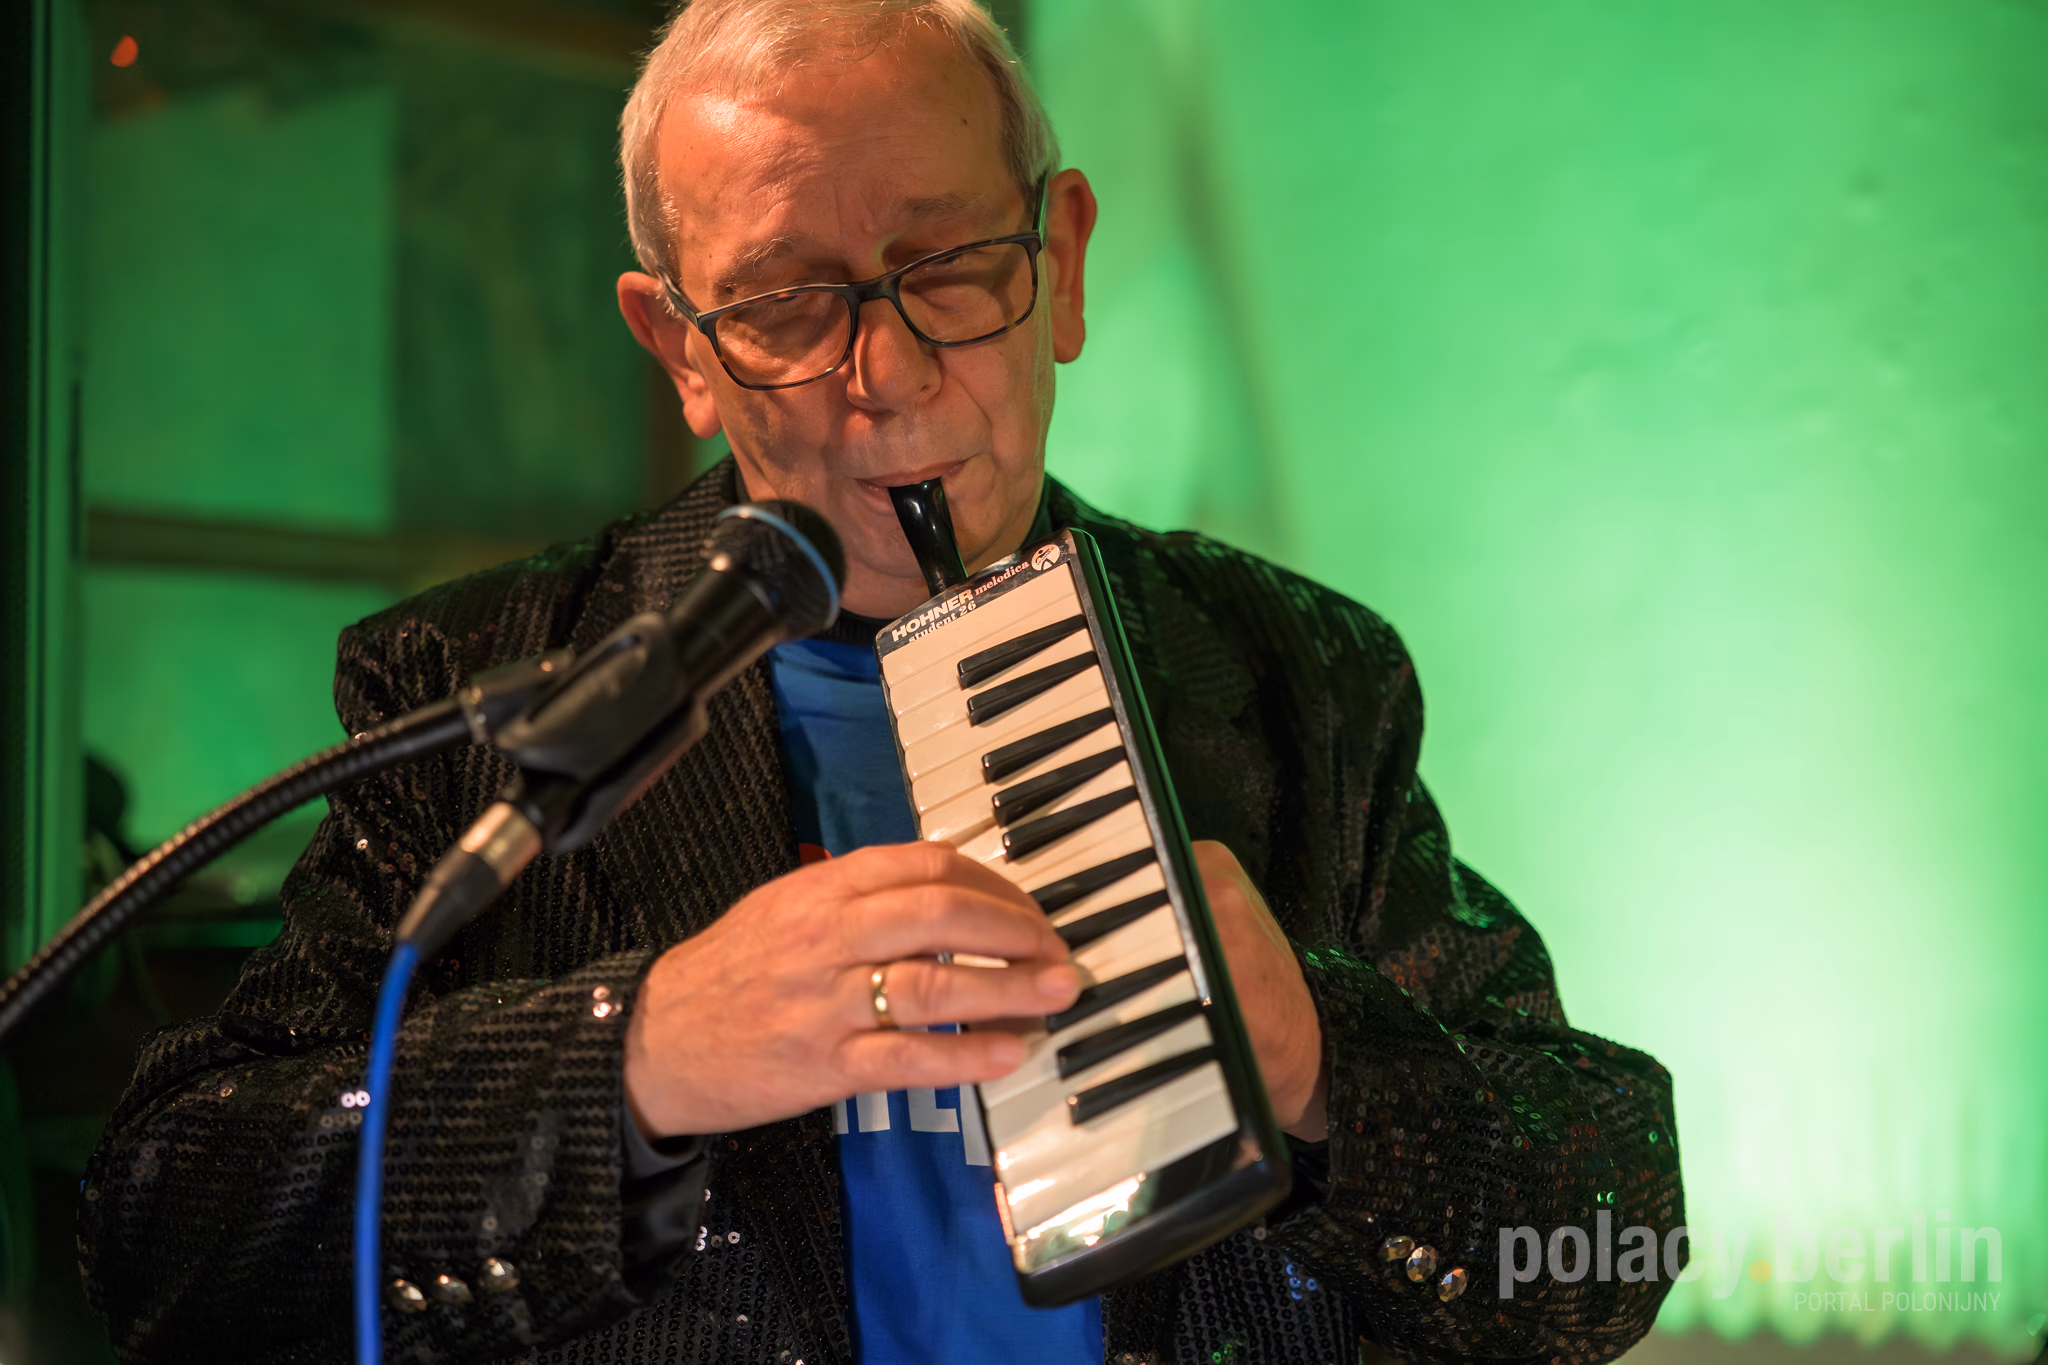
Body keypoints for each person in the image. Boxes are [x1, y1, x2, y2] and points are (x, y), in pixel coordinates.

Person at [80, 2, 1685, 1362]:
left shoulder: (1299, 679)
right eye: (787, 306)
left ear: (1061, 264)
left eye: (956, 267)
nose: (892, 375)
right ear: (683, 349)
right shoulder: (481, 688)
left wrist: (1329, 1063)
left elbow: (1609, 1248)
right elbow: (169, 1237)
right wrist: (640, 1049)